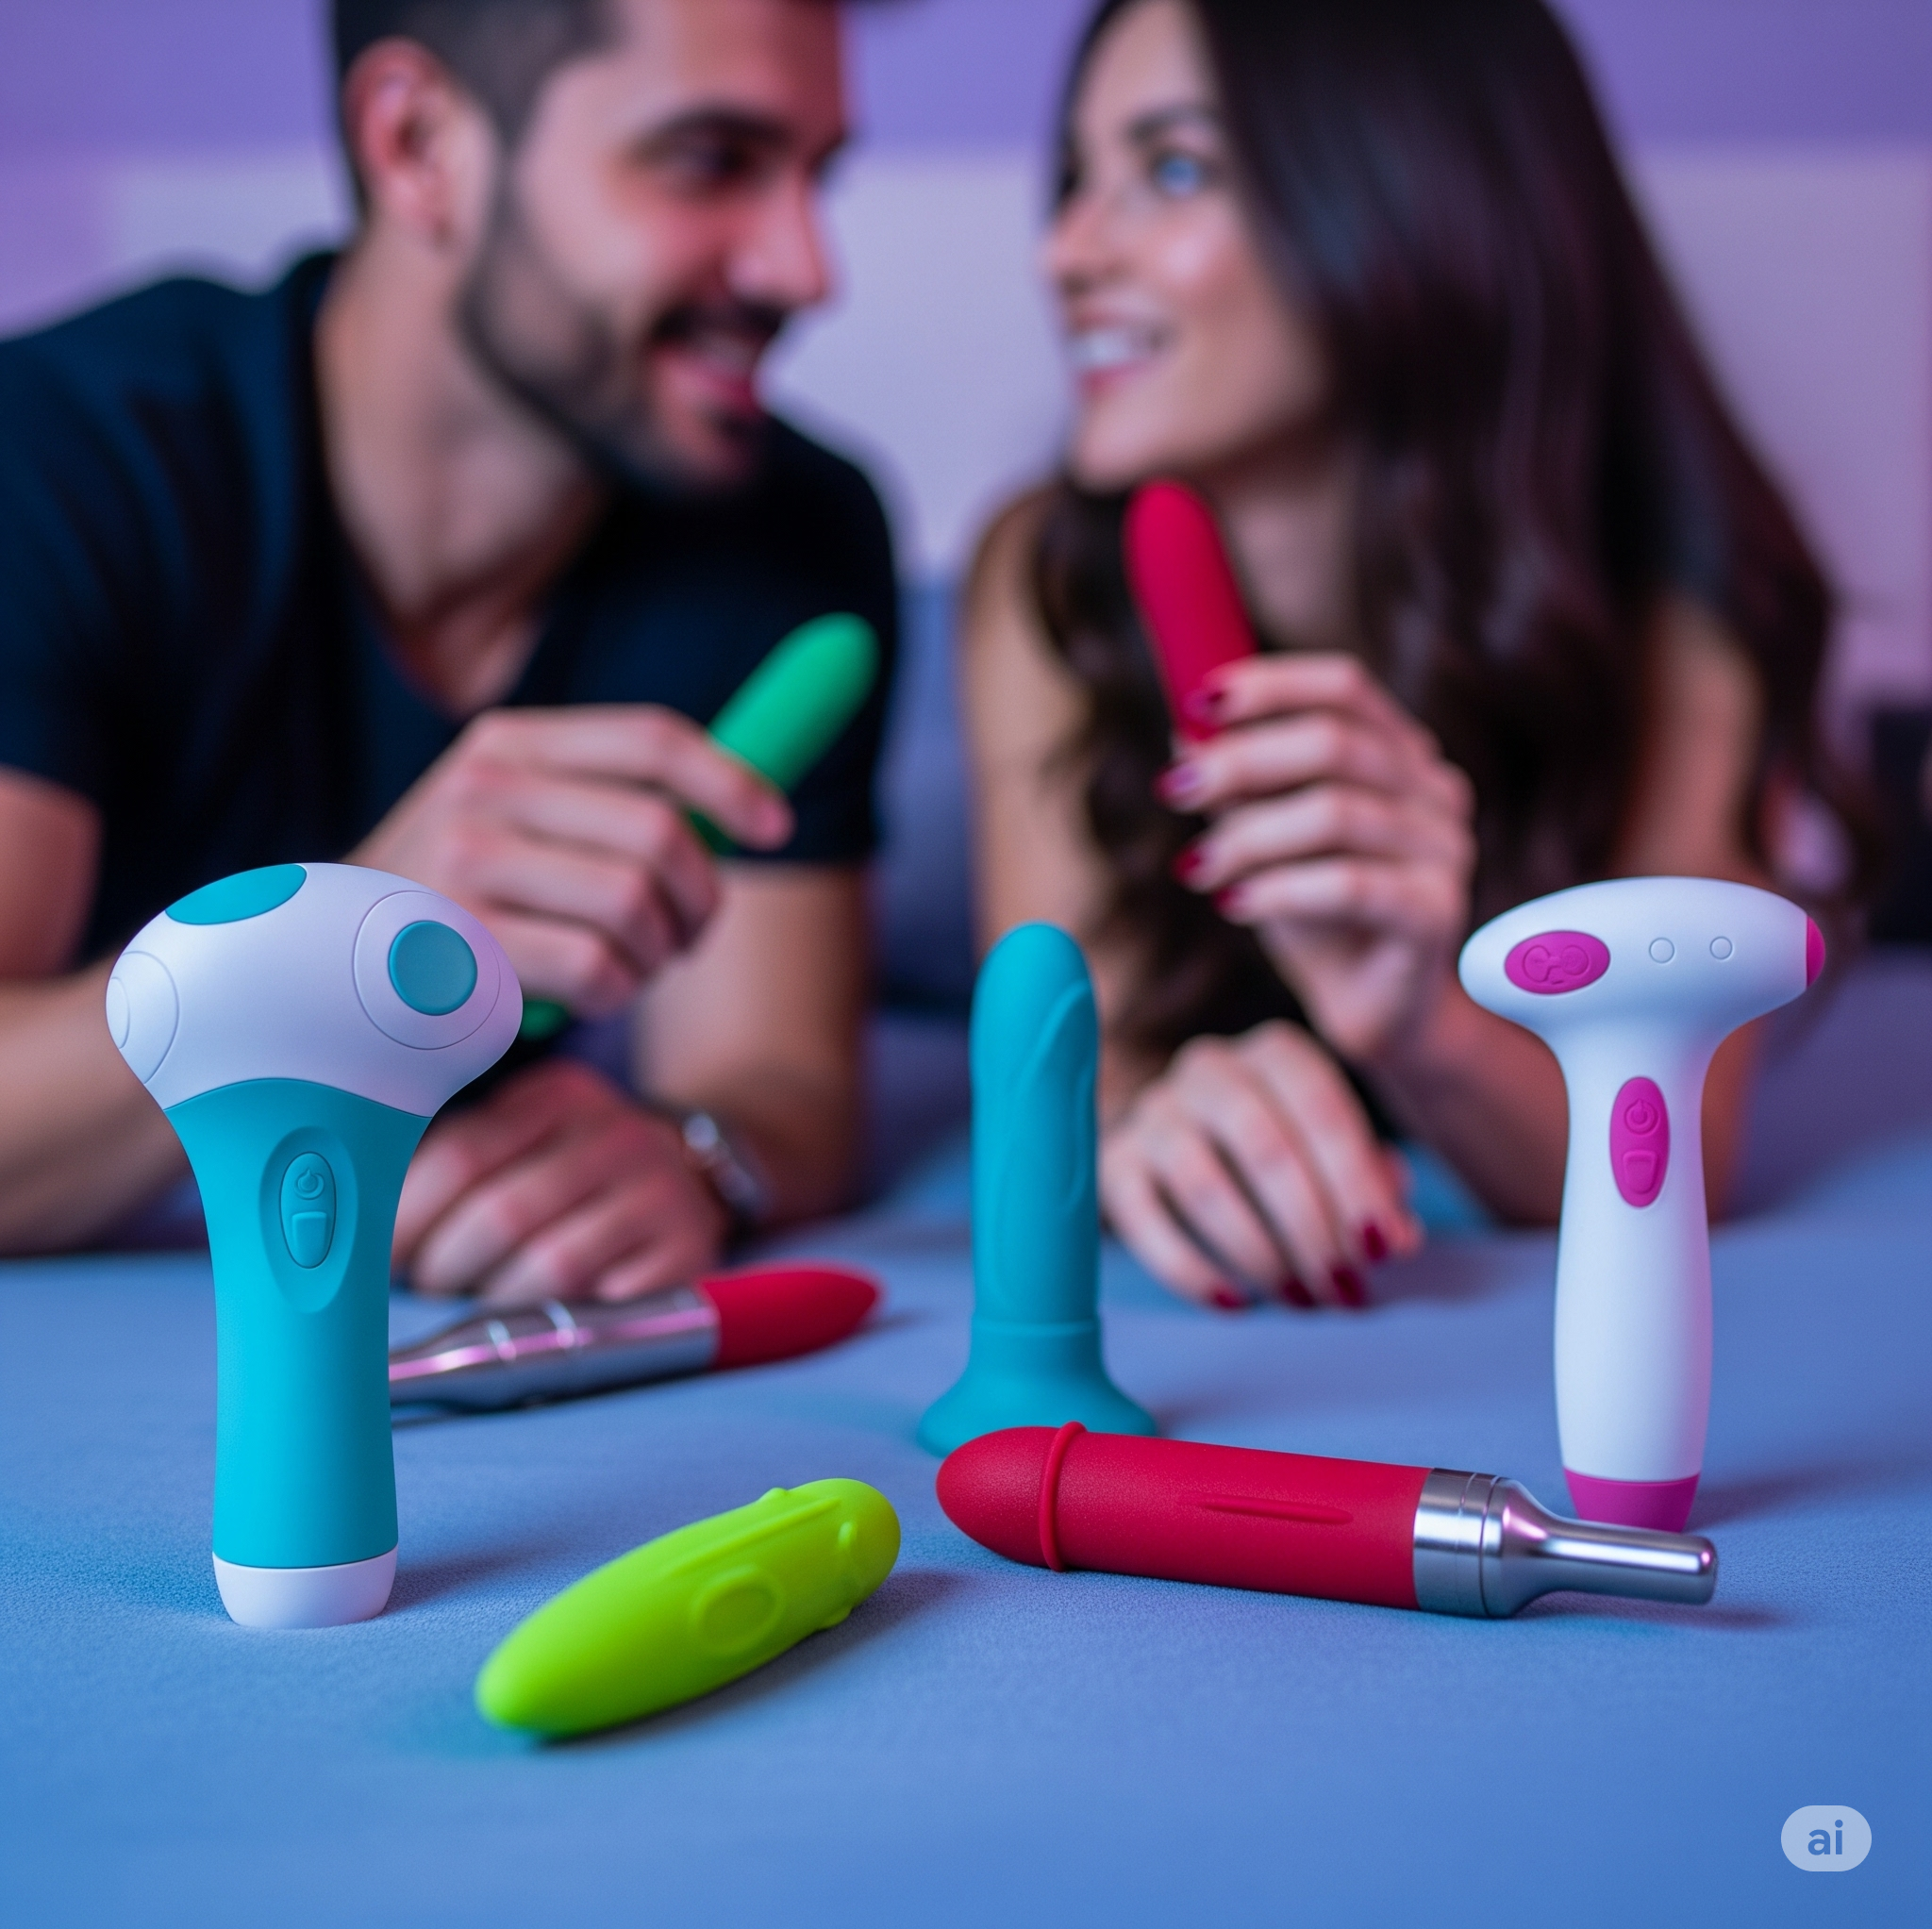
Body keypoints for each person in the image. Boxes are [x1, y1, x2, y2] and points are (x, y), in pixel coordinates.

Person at [962, 0, 1874, 1311]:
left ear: (1402, 199)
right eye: (1074, 179)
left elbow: (1670, 1156)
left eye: (1174, 169)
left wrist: (1419, 1019)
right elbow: (1064, 1055)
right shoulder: (1045, 572)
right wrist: (1154, 1120)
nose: (1065, 252)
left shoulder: (1687, 606)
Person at [0, 0, 895, 1305]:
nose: (806, 269)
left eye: (818, 174)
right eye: (711, 161)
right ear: (420, 144)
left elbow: (777, 1081)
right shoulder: (62, 461)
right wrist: (332, 951)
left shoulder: (791, 533)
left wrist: (694, 1161)